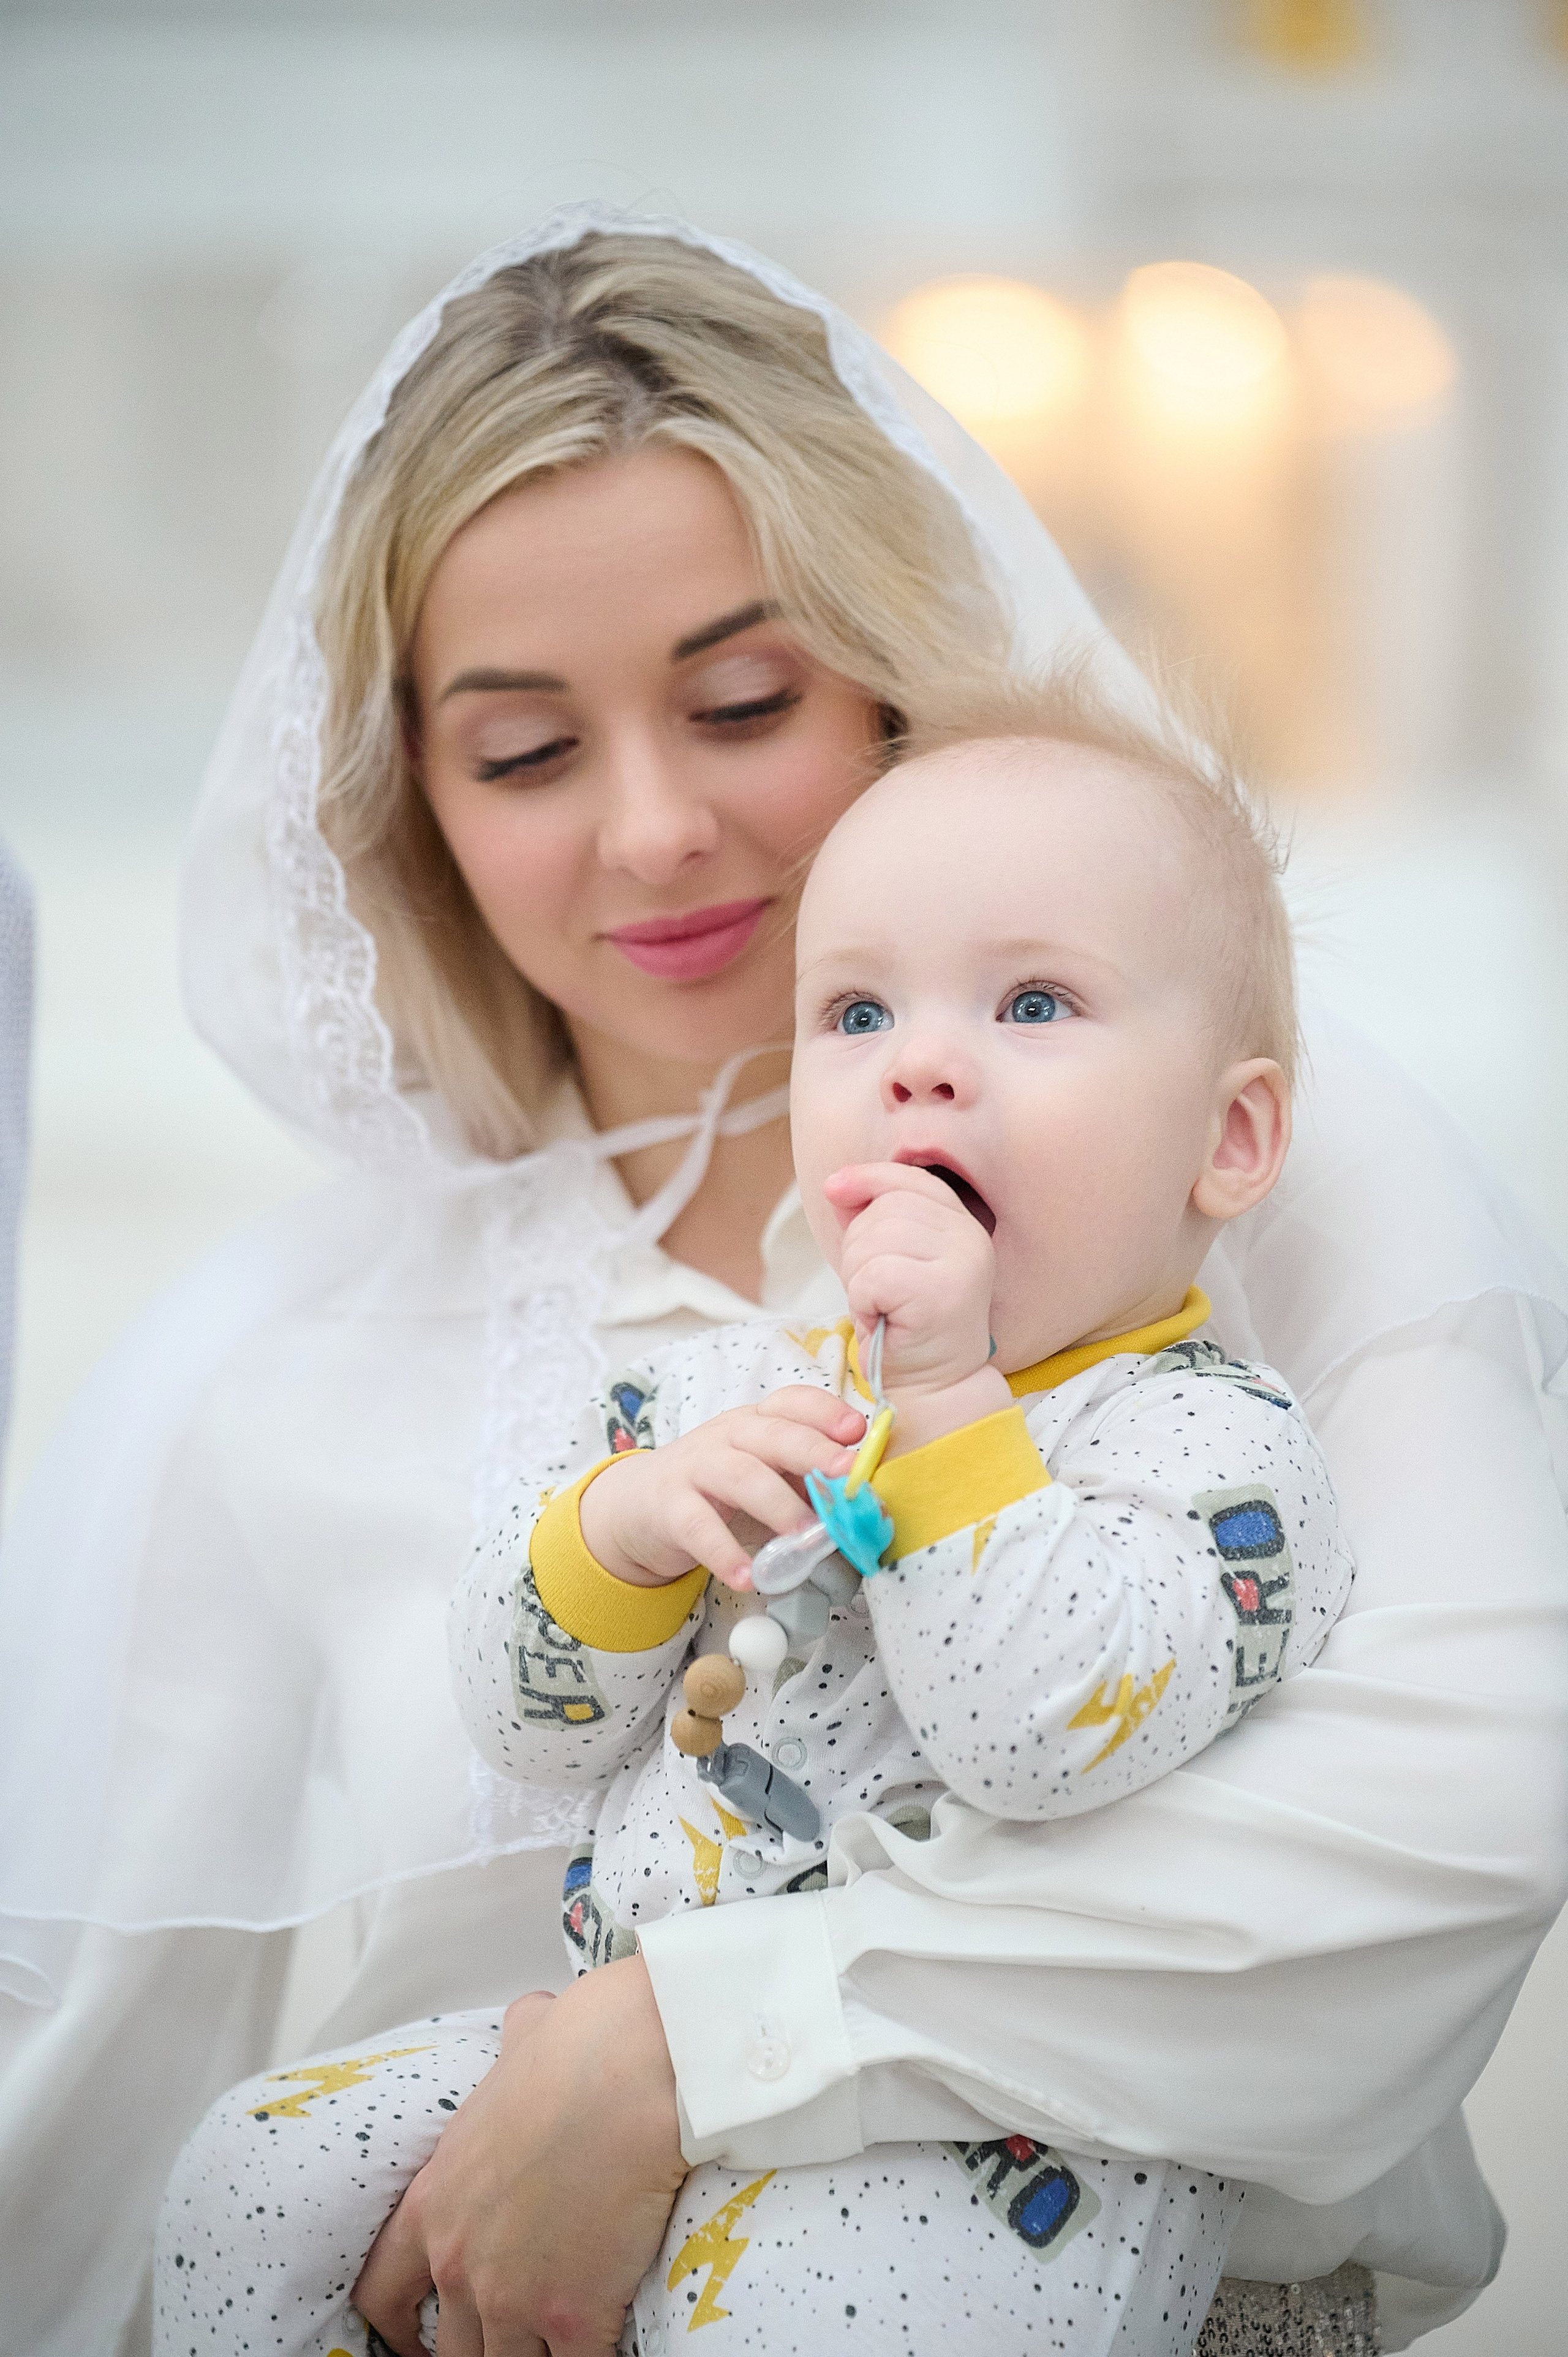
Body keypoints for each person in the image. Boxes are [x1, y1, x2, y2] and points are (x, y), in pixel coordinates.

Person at [0, 208, 1563, 2357]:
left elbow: (1446, 1841)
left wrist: (669, 2050)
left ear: (888, 664)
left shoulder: (1229, 1154)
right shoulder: (291, 1356)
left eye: (744, 701)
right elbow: (104, 2054)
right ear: (414, 807)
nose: (654, 833)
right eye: (527, 751)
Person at [157, 677, 1360, 2357]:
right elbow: (530, 1728)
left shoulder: (1214, 1450)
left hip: (967, 2142)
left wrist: (947, 1405)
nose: (921, 1068)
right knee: (250, 2178)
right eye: (856, 1016)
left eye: (1031, 1002)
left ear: (1230, 1139)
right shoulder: (732, 1384)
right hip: (624, 2052)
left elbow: (1036, 1736)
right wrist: (626, 1532)